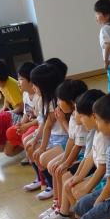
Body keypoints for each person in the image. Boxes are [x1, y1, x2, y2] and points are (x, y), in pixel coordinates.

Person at [42, 89, 107, 219]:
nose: (78, 117)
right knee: (69, 182)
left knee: (72, 185)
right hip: (97, 170)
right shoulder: (97, 132)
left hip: (104, 178)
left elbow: (102, 168)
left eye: (80, 114)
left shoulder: (102, 136)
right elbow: (89, 156)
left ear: (94, 116)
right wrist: (78, 176)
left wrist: (85, 185)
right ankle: (77, 216)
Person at [39, 79, 89, 215]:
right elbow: (71, 139)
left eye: (60, 100)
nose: (58, 103)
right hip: (80, 153)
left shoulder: (80, 119)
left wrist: (66, 163)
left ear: (71, 102)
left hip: (83, 155)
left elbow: (77, 146)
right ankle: (57, 203)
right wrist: (63, 160)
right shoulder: (73, 116)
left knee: (61, 172)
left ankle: (63, 211)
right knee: (54, 167)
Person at [30, 62, 69, 200]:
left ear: (45, 85)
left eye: (35, 85)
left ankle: (53, 187)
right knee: (37, 154)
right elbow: (45, 126)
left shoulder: (55, 102)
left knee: (42, 157)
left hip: (63, 139)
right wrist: (39, 143)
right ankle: (50, 185)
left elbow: (47, 126)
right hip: (55, 137)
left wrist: (42, 147)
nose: (33, 88)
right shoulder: (45, 99)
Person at [5, 62, 39, 150]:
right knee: (10, 132)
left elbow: (42, 119)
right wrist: (22, 124)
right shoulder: (25, 94)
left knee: (25, 135)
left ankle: (33, 149)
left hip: (38, 125)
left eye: (21, 79)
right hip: (29, 124)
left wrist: (27, 126)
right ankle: (29, 149)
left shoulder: (38, 97)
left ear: (31, 81)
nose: (18, 82)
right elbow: (26, 113)